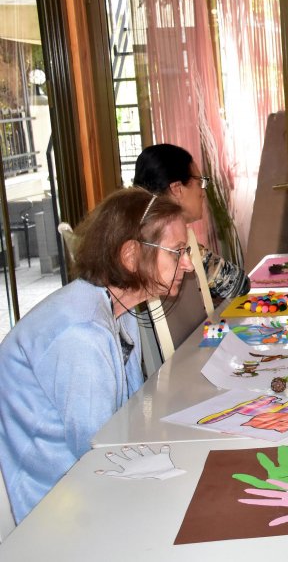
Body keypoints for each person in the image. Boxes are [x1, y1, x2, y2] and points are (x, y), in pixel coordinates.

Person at [0, 188, 194, 522]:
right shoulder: (83, 335)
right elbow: (96, 452)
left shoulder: (119, 309)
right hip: (54, 507)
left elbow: (127, 418)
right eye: (177, 251)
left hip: (87, 487)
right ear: (131, 255)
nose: (188, 264)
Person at [133, 143, 250, 300]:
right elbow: (239, 285)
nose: (202, 192)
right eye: (199, 183)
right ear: (177, 189)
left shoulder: (134, 232)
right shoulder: (170, 244)